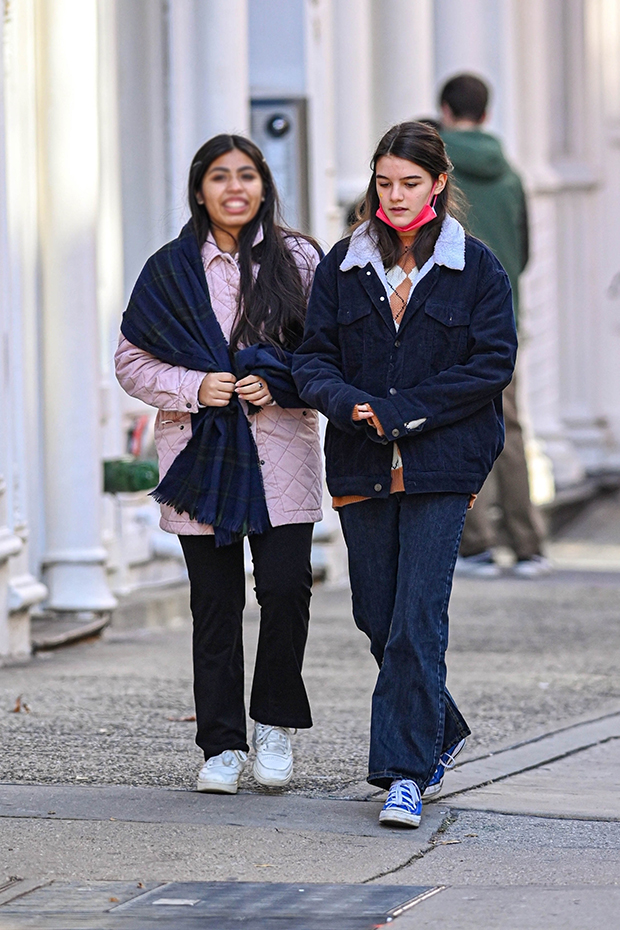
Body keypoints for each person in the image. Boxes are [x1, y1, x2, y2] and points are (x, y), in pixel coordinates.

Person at [293, 121, 517, 828]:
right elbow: (311, 359)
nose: (395, 196)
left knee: (418, 619)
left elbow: (491, 365)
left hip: (443, 465)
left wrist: (403, 413)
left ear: (439, 184)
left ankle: (405, 775)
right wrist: (350, 404)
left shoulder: (476, 268)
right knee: (377, 616)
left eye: (410, 184)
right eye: (384, 183)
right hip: (360, 460)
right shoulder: (342, 265)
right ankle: (439, 726)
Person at [115, 134, 323, 795]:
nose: (235, 187)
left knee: (286, 590)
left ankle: (273, 724)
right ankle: (223, 745)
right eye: (219, 177)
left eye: (247, 175)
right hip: (201, 459)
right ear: (199, 190)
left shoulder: (299, 260)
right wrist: (192, 386)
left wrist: (280, 382)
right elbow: (130, 361)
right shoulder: (170, 269)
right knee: (215, 602)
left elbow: (330, 355)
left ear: (264, 184)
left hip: (281, 450)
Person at [440, 73, 550, 578]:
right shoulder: (510, 175)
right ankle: (527, 542)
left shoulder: (437, 173)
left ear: (445, 111)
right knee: (510, 426)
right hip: (503, 317)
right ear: (486, 114)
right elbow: (523, 253)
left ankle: (477, 542)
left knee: (461, 424)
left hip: (449, 317)